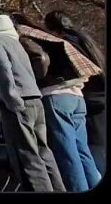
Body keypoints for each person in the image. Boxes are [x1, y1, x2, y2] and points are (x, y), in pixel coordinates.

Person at [0, 7, 65, 192]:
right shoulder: (14, 40)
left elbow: (0, 67)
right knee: (44, 153)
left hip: (18, 103)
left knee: (26, 158)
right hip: (35, 99)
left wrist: (10, 99)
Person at [12, 14, 102, 192]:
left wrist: (36, 81)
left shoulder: (25, 36)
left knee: (67, 155)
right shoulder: (52, 38)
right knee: (82, 152)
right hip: (77, 96)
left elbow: (40, 59)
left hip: (56, 96)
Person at [45, 10, 106, 175]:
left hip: (85, 102)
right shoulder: (86, 42)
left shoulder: (64, 45)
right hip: (98, 104)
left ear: (51, 29)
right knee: (90, 156)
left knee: (80, 155)